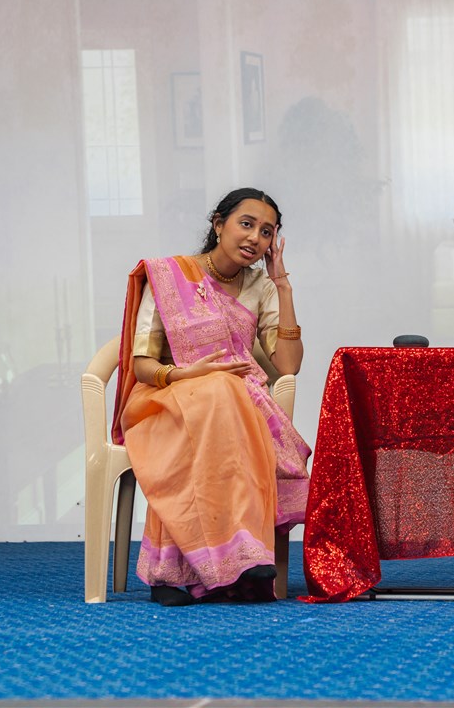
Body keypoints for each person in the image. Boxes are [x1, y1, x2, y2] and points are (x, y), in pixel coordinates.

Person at [110, 188, 311, 606]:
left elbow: (288, 364)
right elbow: (142, 364)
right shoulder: (169, 276)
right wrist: (187, 374)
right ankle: (228, 561)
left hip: (233, 404)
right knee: (218, 394)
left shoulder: (261, 287)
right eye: (246, 224)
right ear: (219, 224)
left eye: (267, 232)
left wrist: (283, 286)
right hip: (164, 398)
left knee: (224, 397)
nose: (255, 238)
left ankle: (189, 572)